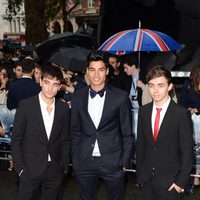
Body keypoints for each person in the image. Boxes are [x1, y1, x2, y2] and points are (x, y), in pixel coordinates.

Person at [71, 50, 133, 200]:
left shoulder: (120, 97)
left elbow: (127, 133)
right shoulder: (78, 97)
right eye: (92, 70)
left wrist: (124, 162)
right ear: (87, 72)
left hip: (113, 162)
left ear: (106, 72)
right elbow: (75, 131)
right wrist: (76, 159)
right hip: (85, 161)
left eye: (100, 70)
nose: (96, 75)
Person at [11, 64, 71, 200]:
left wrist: (64, 166)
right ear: (40, 81)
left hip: (55, 170)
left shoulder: (63, 108)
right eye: (47, 82)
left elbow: (65, 139)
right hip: (29, 169)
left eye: (55, 84)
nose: (50, 88)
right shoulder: (26, 105)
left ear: (60, 86)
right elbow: (16, 139)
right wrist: (20, 168)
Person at [136, 65, 194, 200]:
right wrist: (140, 174)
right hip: (147, 180)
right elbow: (141, 145)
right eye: (151, 85)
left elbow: (187, 151)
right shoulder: (143, 112)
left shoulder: (181, 114)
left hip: (171, 183)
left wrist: (180, 182)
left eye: (160, 85)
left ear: (169, 86)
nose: (155, 91)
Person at [179, 64, 200, 189]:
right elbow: (182, 102)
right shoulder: (188, 85)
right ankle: (190, 177)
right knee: (190, 148)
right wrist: (188, 109)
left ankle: (197, 176)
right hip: (189, 120)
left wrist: (197, 109)